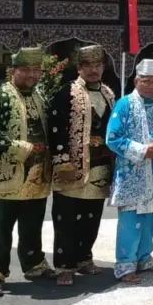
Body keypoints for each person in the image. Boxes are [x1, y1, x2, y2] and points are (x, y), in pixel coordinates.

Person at [0, 47, 55, 297]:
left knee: (32, 225)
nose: (32, 75)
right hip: (7, 174)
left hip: (37, 175)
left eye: (36, 70)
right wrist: (25, 149)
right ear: (13, 70)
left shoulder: (41, 97)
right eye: (26, 70)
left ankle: (34, 265)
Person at [49, 45, 116, 286]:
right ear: (79, 68)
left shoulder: (109, 93)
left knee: (92, 216)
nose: (93, 70)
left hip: (99, 166)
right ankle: (64, 265)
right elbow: (55, 129)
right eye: (88, 66)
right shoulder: (67, 93)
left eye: (97, 66)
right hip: (72, 166)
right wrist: (63, 161)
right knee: (66, 217)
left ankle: (84, 258)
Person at [106, 58, 153, 282]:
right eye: (146, 81)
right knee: (131, 221)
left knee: (151, 218)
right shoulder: (124, 104)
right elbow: (112, 138)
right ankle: (125, 264)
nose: (150, 85)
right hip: (132, 174)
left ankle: (144, 257)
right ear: (136, 80)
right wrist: (141, 150)